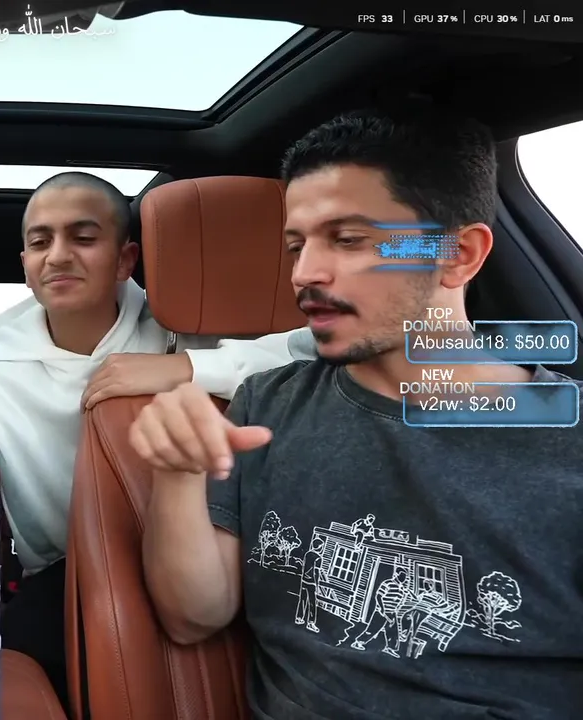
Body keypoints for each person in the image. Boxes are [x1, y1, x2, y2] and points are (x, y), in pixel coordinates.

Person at [133, 107, 582, 718]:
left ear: (458, 255)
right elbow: (193, 618)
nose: (304, 273)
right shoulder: (264, 408)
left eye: (349, 240)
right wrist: (177, 474)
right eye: (297, 245)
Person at [0, 171, 318, 707]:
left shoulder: (187, 320)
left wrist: (188, 367)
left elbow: (318, 349)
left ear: (125, 260)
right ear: (26, 267)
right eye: (40, 242)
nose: (58, 256)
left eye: (82, 237)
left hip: (229, 549)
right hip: (68, 574)